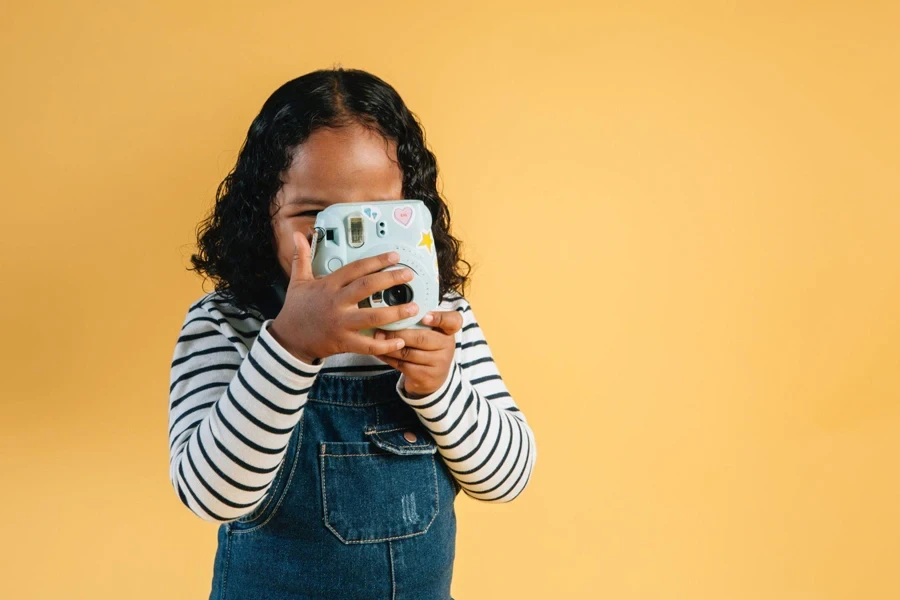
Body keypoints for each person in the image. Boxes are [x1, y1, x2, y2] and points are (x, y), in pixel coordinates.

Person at [167, 67, 537, 600]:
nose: (347, 242)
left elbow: (507, 478)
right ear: (262, 216)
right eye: (315, 212)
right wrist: (291, 347)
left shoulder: (440, 320)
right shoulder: (226, 323)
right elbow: (211, 495)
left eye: (377, 215)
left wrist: (438, 388)